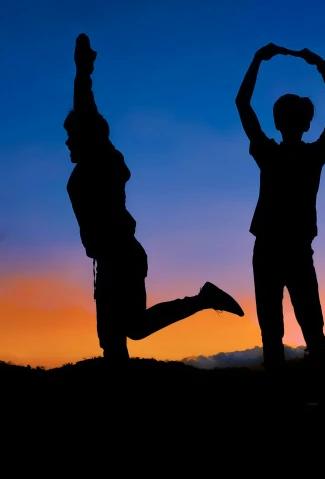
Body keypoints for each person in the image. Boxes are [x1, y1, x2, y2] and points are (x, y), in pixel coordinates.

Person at [64, 34, 245, 363]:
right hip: (112, 259)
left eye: (70, 136)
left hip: (120, 258)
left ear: (87, 137)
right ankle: (203, 299)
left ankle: (203, 300)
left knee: (121, 336)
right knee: (126, 332)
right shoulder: (93, 165)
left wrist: (82, 70)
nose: (66, 142)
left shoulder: (99, 160)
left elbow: (85, 110)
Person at [236, 43, 325, 370]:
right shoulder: (313, 156)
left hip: (270, 250)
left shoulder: (269, 154)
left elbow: (242, 103)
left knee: (273, 334)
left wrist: (257, 58)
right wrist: (323, 68)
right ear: (306, 123)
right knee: (313, 332)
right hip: (296, 251)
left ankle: (282, 398)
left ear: (278, 122)